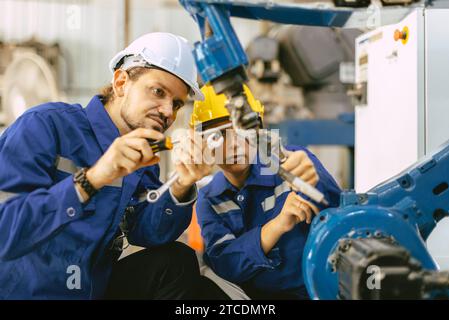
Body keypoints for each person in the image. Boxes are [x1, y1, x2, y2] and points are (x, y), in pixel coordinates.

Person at [0, 32, 227, 299]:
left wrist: (180, 186)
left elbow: (148, 233)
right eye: (158, 91)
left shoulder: (143, 156)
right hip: (27, 290)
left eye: (177, 103)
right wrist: (93, 179)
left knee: (176, 262)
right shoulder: (45, 125)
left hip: (92, 288)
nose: (168, 111)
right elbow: (6, 231)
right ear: (121, 82)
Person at [192, 84, 342, 299]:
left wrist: (315, 182)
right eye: (220, 135)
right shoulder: (209, 199)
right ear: (203, 143)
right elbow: (225, 264)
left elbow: (338, 216)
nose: (235, 145)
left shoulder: (293, 162)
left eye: (242, 130)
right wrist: (277, 225)